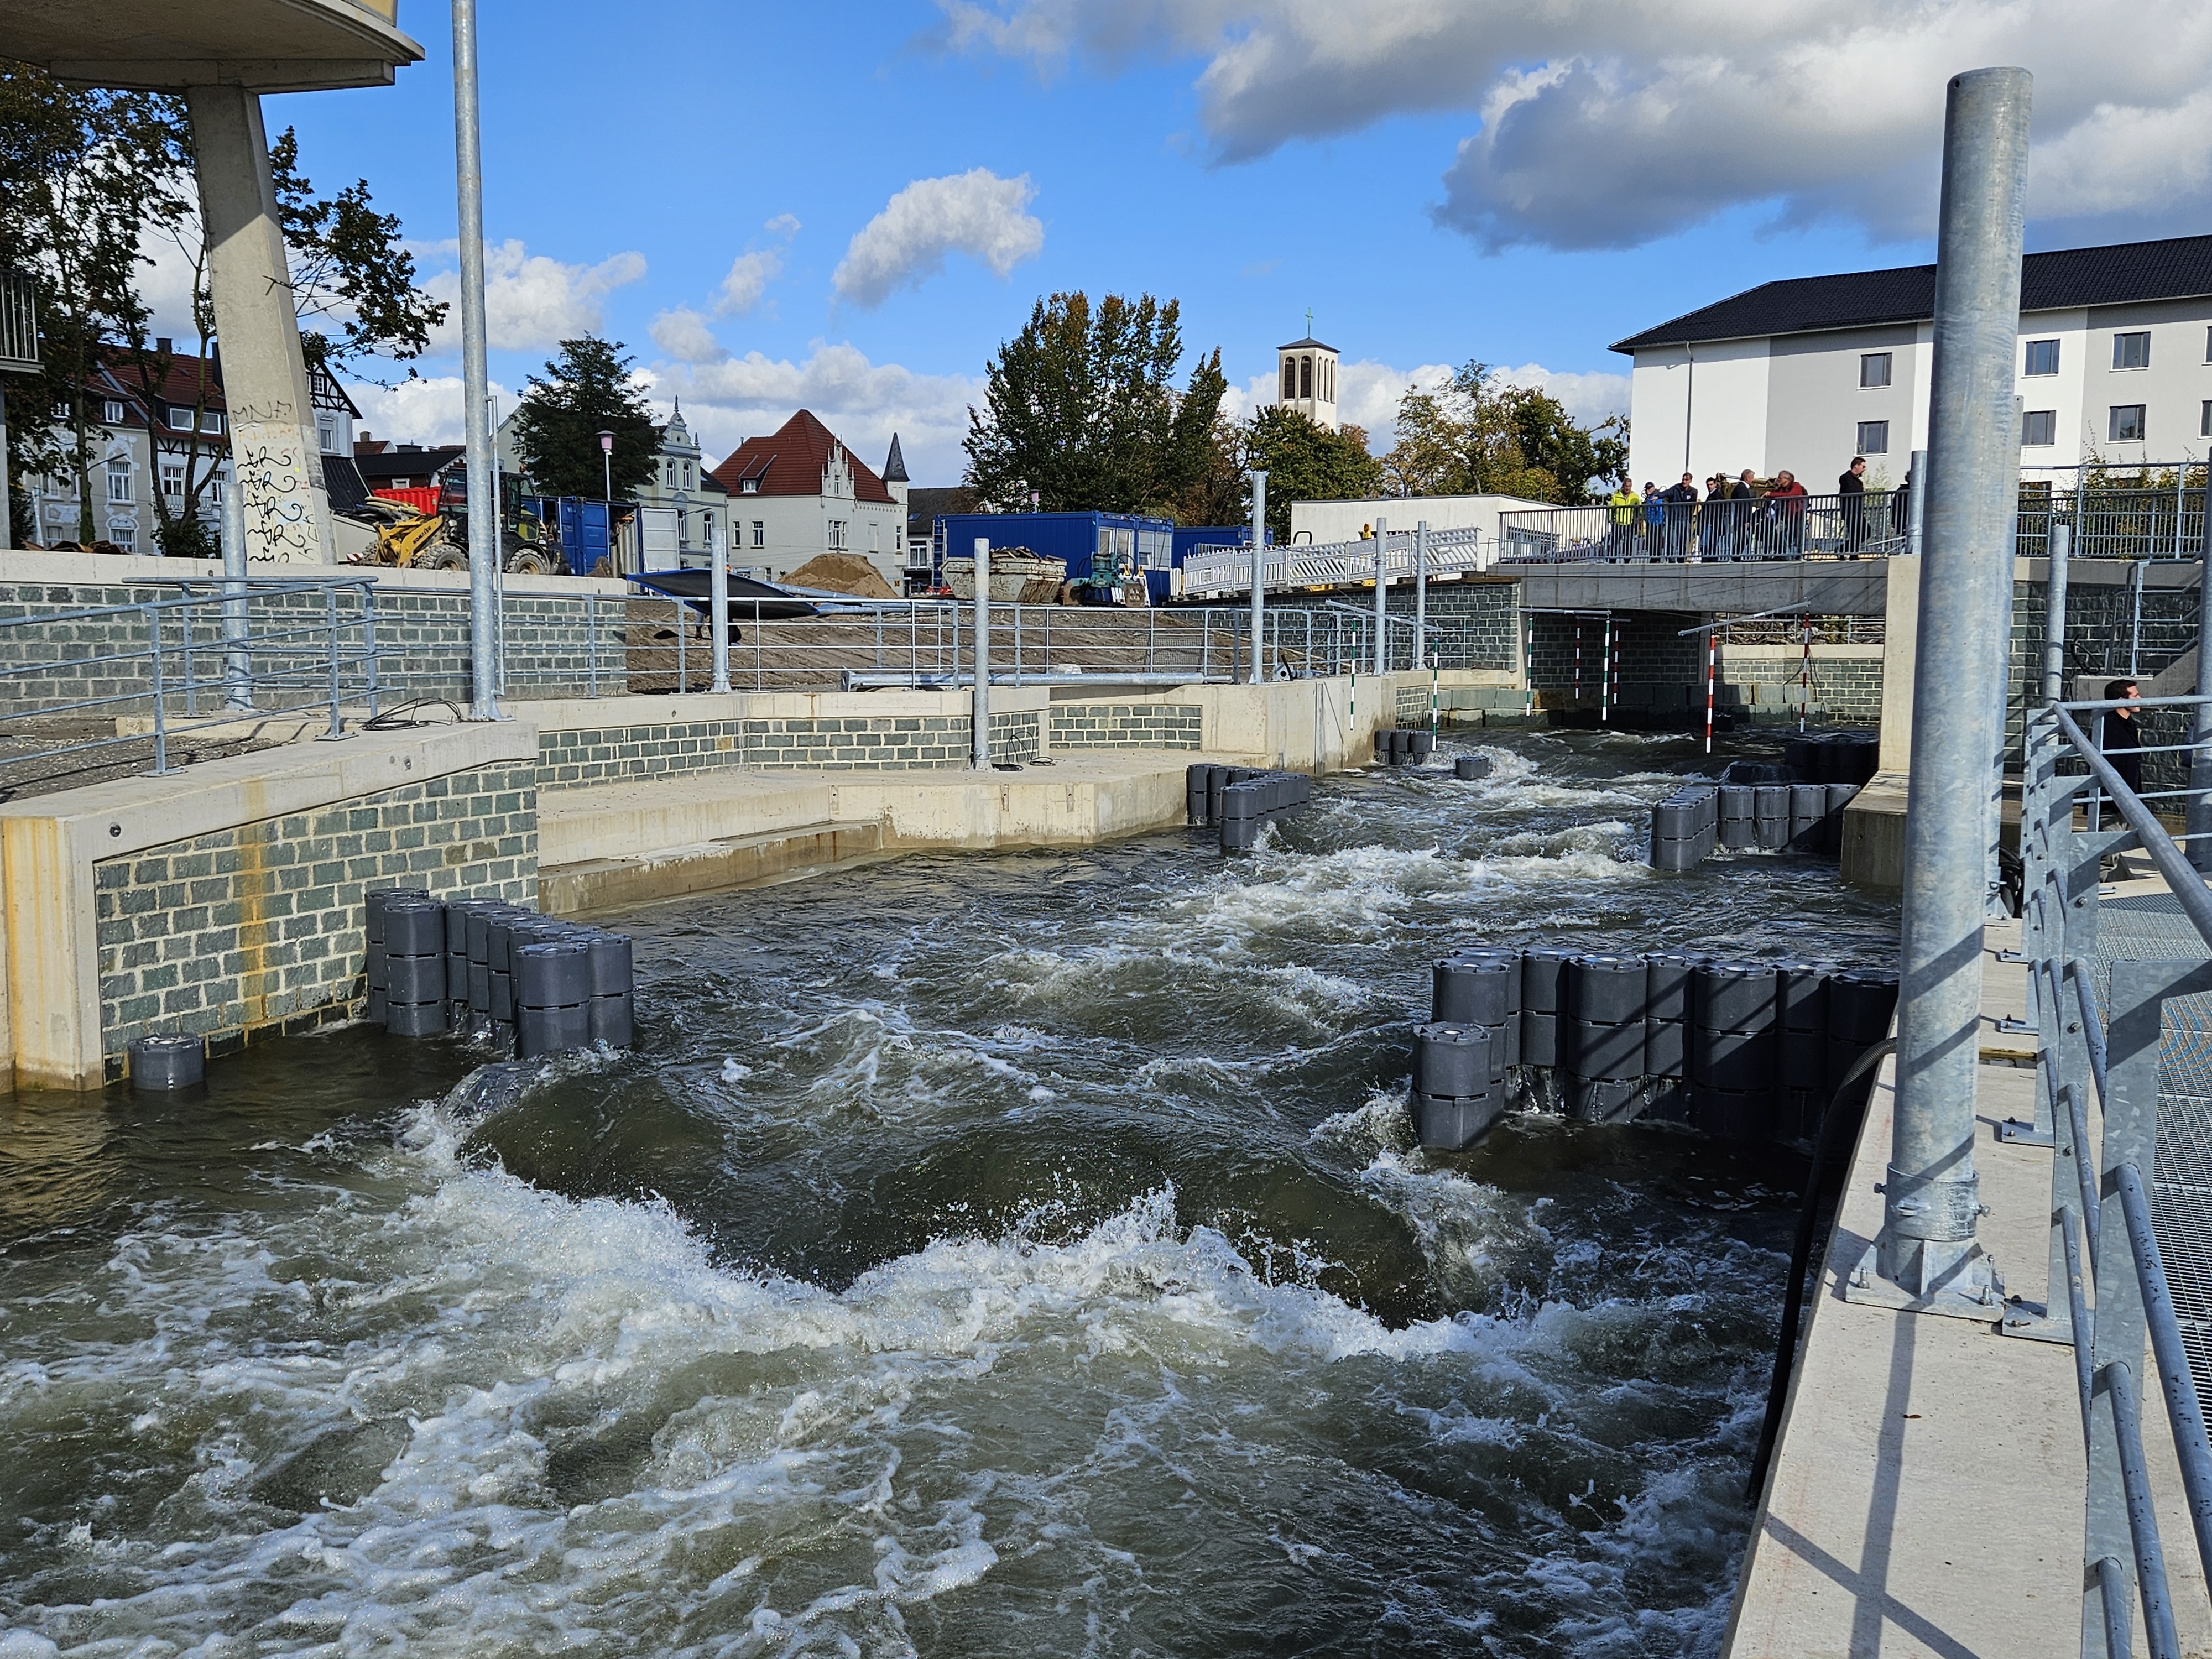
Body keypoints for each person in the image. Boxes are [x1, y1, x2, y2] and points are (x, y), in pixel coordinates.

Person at [2102, 678, 2144, 794]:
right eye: (2135, 696)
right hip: (2113, 798)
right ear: (2121, 700)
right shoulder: (2107, 726)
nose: (2140, 699)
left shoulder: (2130, 724)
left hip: (2128, 791)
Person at [1766, 469, 1809, 556]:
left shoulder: (1796, 485)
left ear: (1787, 479)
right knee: (1779, 533)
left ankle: (1798, 555)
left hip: (1797, 515)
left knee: (1797, 536)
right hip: (1786, 517)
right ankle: (1783, 553)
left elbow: (1790, 495)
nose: (1779, 479)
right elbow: (1777, 495)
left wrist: (1771, 494)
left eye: (1780, 478)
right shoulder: (1781, 489)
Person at [1660, 472, 1699, 560]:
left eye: (1686, 480)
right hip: (1673, 519)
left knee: (1683, 540)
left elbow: (1692, 506)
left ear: (1690, 481)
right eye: (1683, 479)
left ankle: (1681, 558)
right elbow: (1666, 493)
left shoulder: (1693, 491)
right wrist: (1657, 495)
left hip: (1685, 519)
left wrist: (1689, 517)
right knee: (1671, 540)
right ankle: (1671, 559)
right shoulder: (1676, 488)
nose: (1684, 482)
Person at [1838, 455, 1867, 554]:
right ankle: (1852, 553)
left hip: (1857, 511)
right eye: (1863, 467)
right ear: (1856, 466)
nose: (1864, 469)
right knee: (1856, 533)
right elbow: (1850, 491)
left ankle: (1844, 549)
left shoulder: (1858, 481)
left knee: (1865, 531)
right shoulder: (1845, 478)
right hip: (1850, 510)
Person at [1606, 479, 1639, 559]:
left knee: (1629, 543)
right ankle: (1613, 560)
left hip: (1629, 523)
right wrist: (1611, 519)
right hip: (1618, 523)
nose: (1627, 488)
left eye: (1629, 486)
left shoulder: (1635, 497)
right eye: (1626, 486)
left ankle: (1627, 560)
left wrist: (1639, 519)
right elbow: (1611, 508)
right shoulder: (1616, 496)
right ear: (1623, 486)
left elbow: (1640, 509)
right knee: (1615, 542)